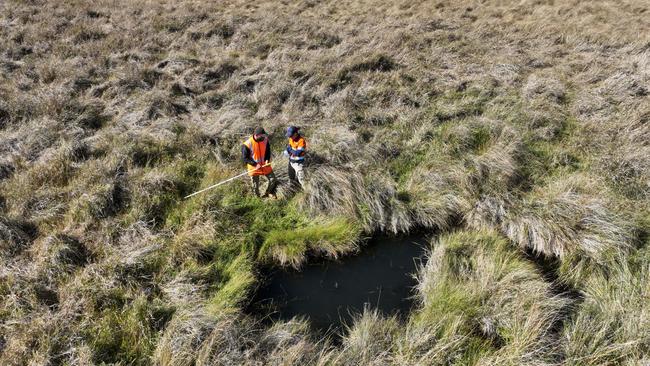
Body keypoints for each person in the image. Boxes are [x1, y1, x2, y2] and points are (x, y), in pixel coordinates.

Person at [242, 127, 278, 198]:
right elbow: (245, 158)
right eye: (261, 136)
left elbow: (268, 151)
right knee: (255, 185)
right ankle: (257, 198)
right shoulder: (247, 144)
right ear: (256, 135)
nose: (263, 137)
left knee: (273, 179)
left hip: (265, 165)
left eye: (264, 136)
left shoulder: (265, 140)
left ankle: (268, 192)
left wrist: (267, 159)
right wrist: (255, 164)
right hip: (253, 167)